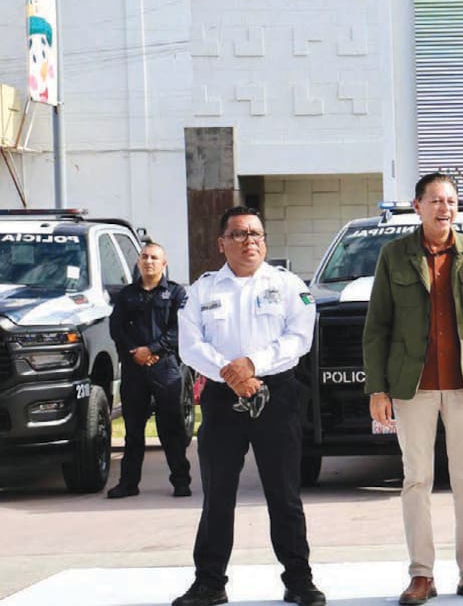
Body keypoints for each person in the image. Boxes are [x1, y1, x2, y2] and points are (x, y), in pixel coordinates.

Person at [364, 173, 463, 605]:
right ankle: (422, 575)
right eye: (435, 201)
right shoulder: (395, 256)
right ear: (417, 205)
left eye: (450, 201)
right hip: (413, 386)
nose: (443, 208)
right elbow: (377, 328)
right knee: (416, 479)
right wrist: (378, 389)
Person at [173, 207, 325, 606]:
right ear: (221, 242)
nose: (249, 241)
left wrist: (252, 366)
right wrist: (232, 374)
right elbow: (190, 346)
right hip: (223, 398)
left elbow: (300, 338)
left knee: (284, 494)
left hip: (277, 394)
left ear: (265, 241)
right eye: (238, 234)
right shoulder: (202, 290)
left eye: (256, 233)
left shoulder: (289, 285)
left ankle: (299, 579)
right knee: (218, 496)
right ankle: (209, 583)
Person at [107, 242, 191, 499]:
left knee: (172, 429)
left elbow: (179, 330)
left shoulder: (176, 294)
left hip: (165, 369)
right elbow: (117, 329)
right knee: (133, 431)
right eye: (144, 257)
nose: (149, 261)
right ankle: (128, 484)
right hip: (135, 370)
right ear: (138, 263)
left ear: (164, 264)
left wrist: (153, 350)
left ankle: (181, 482)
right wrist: (136, 352)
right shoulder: (126, 295)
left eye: (154, 257)